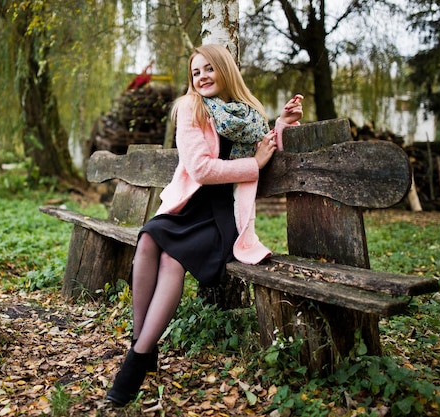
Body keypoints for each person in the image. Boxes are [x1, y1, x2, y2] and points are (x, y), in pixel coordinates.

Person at [106, 44, 304, 406]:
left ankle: (136, 360)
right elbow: (201, 169)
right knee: (149, 237)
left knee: (171, 259)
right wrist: (253, 165)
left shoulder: (249, 113)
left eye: (209, 69)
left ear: (225, 70)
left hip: (222, 214)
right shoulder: (190, 108)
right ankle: (142, 346)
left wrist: (282, 124)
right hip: (188, 206)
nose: (202, 77)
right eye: (196, 72)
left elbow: (265, 149)